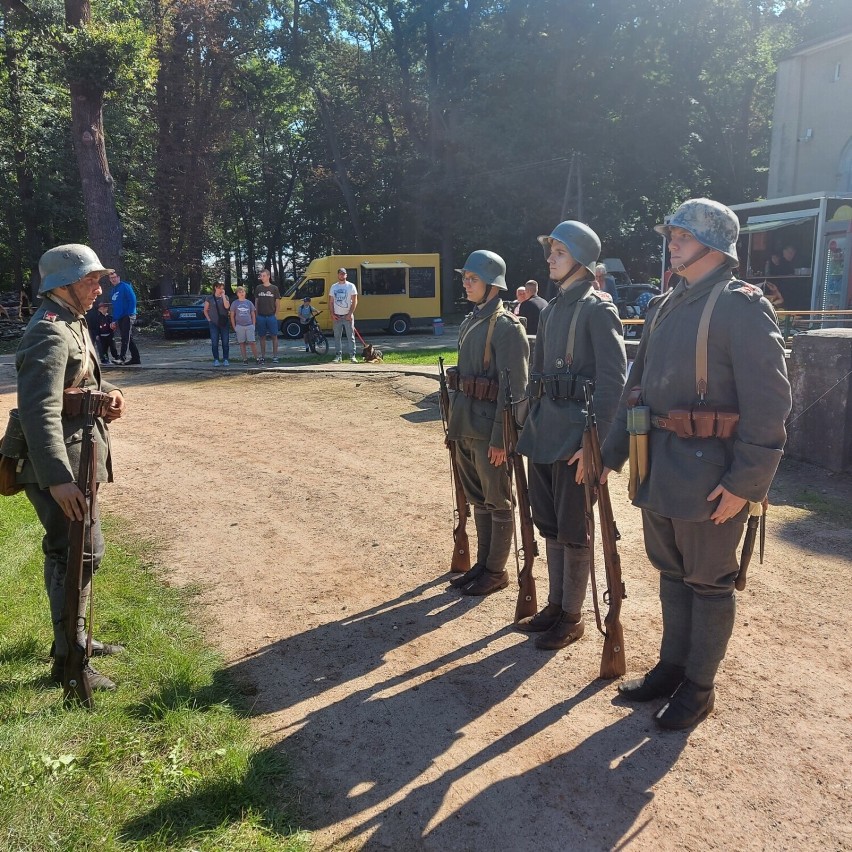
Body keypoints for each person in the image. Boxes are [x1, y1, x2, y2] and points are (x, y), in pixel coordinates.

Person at [600, 198, 791, 730]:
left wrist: (746, 484)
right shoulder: (666, 303)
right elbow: (633, 391)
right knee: (672, 574)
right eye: (673, 232)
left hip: (711, 477)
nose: (672, 240)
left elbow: (770, 405)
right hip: (658, 465)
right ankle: (672, 668)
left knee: (709, 582)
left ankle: (699, 689)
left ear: (715, 243)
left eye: (683, 233)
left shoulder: (741, 307)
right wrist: (611, 455)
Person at [12, 244, 127, 691]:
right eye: (89, 280)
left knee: (73, 550)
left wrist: (111, 393)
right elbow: (38, 409)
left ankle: (76, 640)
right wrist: (57, 479)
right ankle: (70, 657)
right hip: (58, 462)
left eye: (98, 278)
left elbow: (82, 381)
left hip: (79, 455)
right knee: (79, 550)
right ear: (62, 285)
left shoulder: (72, 323)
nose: (98, 286)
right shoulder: (49, 331)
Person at [514, 223, 627, 649]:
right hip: (545, 432)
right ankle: (556, 607)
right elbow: (537, 375)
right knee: (551, 523)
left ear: (580, 258)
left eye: (559, 252)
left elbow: (615, 382)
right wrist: (524, 427)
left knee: (575, 529)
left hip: (577, 435)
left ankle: (574, 616)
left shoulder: (598, 309)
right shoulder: (553, 308)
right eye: (551, 251)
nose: (550, 259)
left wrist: (594, 445)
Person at [447, 250, 529, 597]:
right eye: (465, 277)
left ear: (492, 284)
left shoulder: (506, 326)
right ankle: (483, 565)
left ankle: (496, 570)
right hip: (465, 424)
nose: (466, 283)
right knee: (478, 499)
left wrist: (502, 438)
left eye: (473, 278)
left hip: (488, 431)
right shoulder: (470, 321)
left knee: (498, 500)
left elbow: (515, 391)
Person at [107, 270, 140, 364]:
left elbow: (133, 300)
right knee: (128, 337)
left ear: (118, 277)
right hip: (120, 317)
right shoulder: (113, 291)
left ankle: (122, 358)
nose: (113, 279)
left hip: (128, 315)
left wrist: (130, 314)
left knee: (125, 337)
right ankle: (136, 359)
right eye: (111, 278)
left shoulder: (125, 287)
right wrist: (114, 320)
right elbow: (116, 307)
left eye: (114, 277)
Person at [328, 267, 359, 363]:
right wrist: (332, 314)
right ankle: (338, 356)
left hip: (347, 316)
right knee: (337, 336)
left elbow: (355, 301)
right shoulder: (334, 287)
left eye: (343, 273)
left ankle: (352, 356)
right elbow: (331, 302)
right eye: (340, 273)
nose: (342, 275)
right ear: (338, 275)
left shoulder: (351, 286)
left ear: (346, 275)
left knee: (351, 336)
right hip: (337, 316)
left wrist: (350, 314)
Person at [254, 268, 280, 363]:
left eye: (264, 275)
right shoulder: (258, 288)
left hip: (271, 316)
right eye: (261, 276)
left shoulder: (274, 288)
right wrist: (256, 315)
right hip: (261, 316)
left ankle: (275, 357)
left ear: (268, 276)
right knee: (262, 336)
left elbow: (277, 302)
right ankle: (263, 356)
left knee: (274, 336)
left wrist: (276, 315)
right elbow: (256, 302)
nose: (262, 277)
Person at [202, 282, 231, 366]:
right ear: (215, 288)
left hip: (224, 323)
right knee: (214, 342)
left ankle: (226, 359)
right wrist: (209, 320)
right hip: (213, 323)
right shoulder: (209, 298)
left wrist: (223, 297)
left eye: (222, 288)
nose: (221, 290)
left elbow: (227, 307)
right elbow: (205, 310)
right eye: (219, 288)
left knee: (225, 342)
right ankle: (216, 359)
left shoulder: (225, 297)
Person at [229, 286, 259, 362]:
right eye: (239, 292)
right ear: (237, 294)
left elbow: (253, 314)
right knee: (242, 343)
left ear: (245, 293)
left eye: (243, 292)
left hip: (249, 325)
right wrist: (234, 327)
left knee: (252, 342)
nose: (241, 293)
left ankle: (257, 358)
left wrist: (253, 325)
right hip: (239, 326)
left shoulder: (249, 302)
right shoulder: (234, 303)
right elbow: (232, 316)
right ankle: (245, 359)